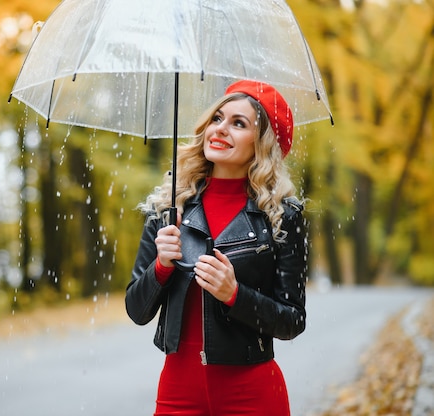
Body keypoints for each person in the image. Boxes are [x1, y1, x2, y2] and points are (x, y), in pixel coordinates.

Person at [125, 80, 307, 416]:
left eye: (239, 124)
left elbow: (292, 320)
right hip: (177, 393)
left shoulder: (281, 216)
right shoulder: (169, 206)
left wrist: (235, 295)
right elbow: (137, 310)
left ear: (262, 144)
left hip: (252, 393)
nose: (221, 129)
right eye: (217, 118)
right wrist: (162, 266)